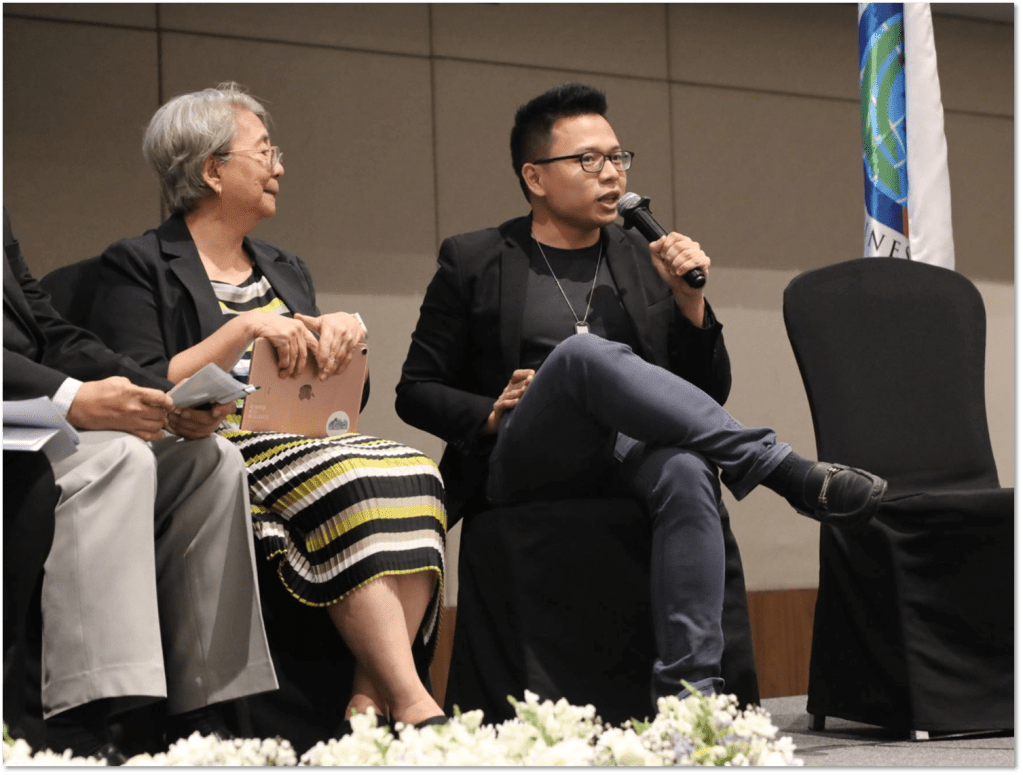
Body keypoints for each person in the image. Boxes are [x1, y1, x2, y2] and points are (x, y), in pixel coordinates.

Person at [395, 83, 887, 703]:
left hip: (629, 454)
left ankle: (691, 695)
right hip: (527, 456)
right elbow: (415, 389)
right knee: (580, 356)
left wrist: (689, 301)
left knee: (687, 468)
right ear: (534, 177)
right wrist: (490, 412)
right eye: (588, 160)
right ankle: (779, 469)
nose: (611, 173)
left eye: (618, 157)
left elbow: (700, 396)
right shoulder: (475, 259)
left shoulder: (641, 256)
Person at [86, 84, 448, 730]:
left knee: (417, 471)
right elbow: (140, 380)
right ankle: (413, 698)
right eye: (264, 151)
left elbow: (338, 396)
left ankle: (368, 691)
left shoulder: (284, 265)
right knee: (351, 478)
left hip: (301, 440)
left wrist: (345, 339)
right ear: (212, 170)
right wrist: (243, 330)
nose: (278, 166)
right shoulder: (138, 263)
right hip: (209, 446)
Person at [1, 204, 278, 761]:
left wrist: (162, 399)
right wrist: (71, 398)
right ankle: (87, 719)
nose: (279, 166)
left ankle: (201, 715)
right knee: (119, 457)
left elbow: (47, 330)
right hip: (16, 411)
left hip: (32, 408)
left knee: (209, 459)